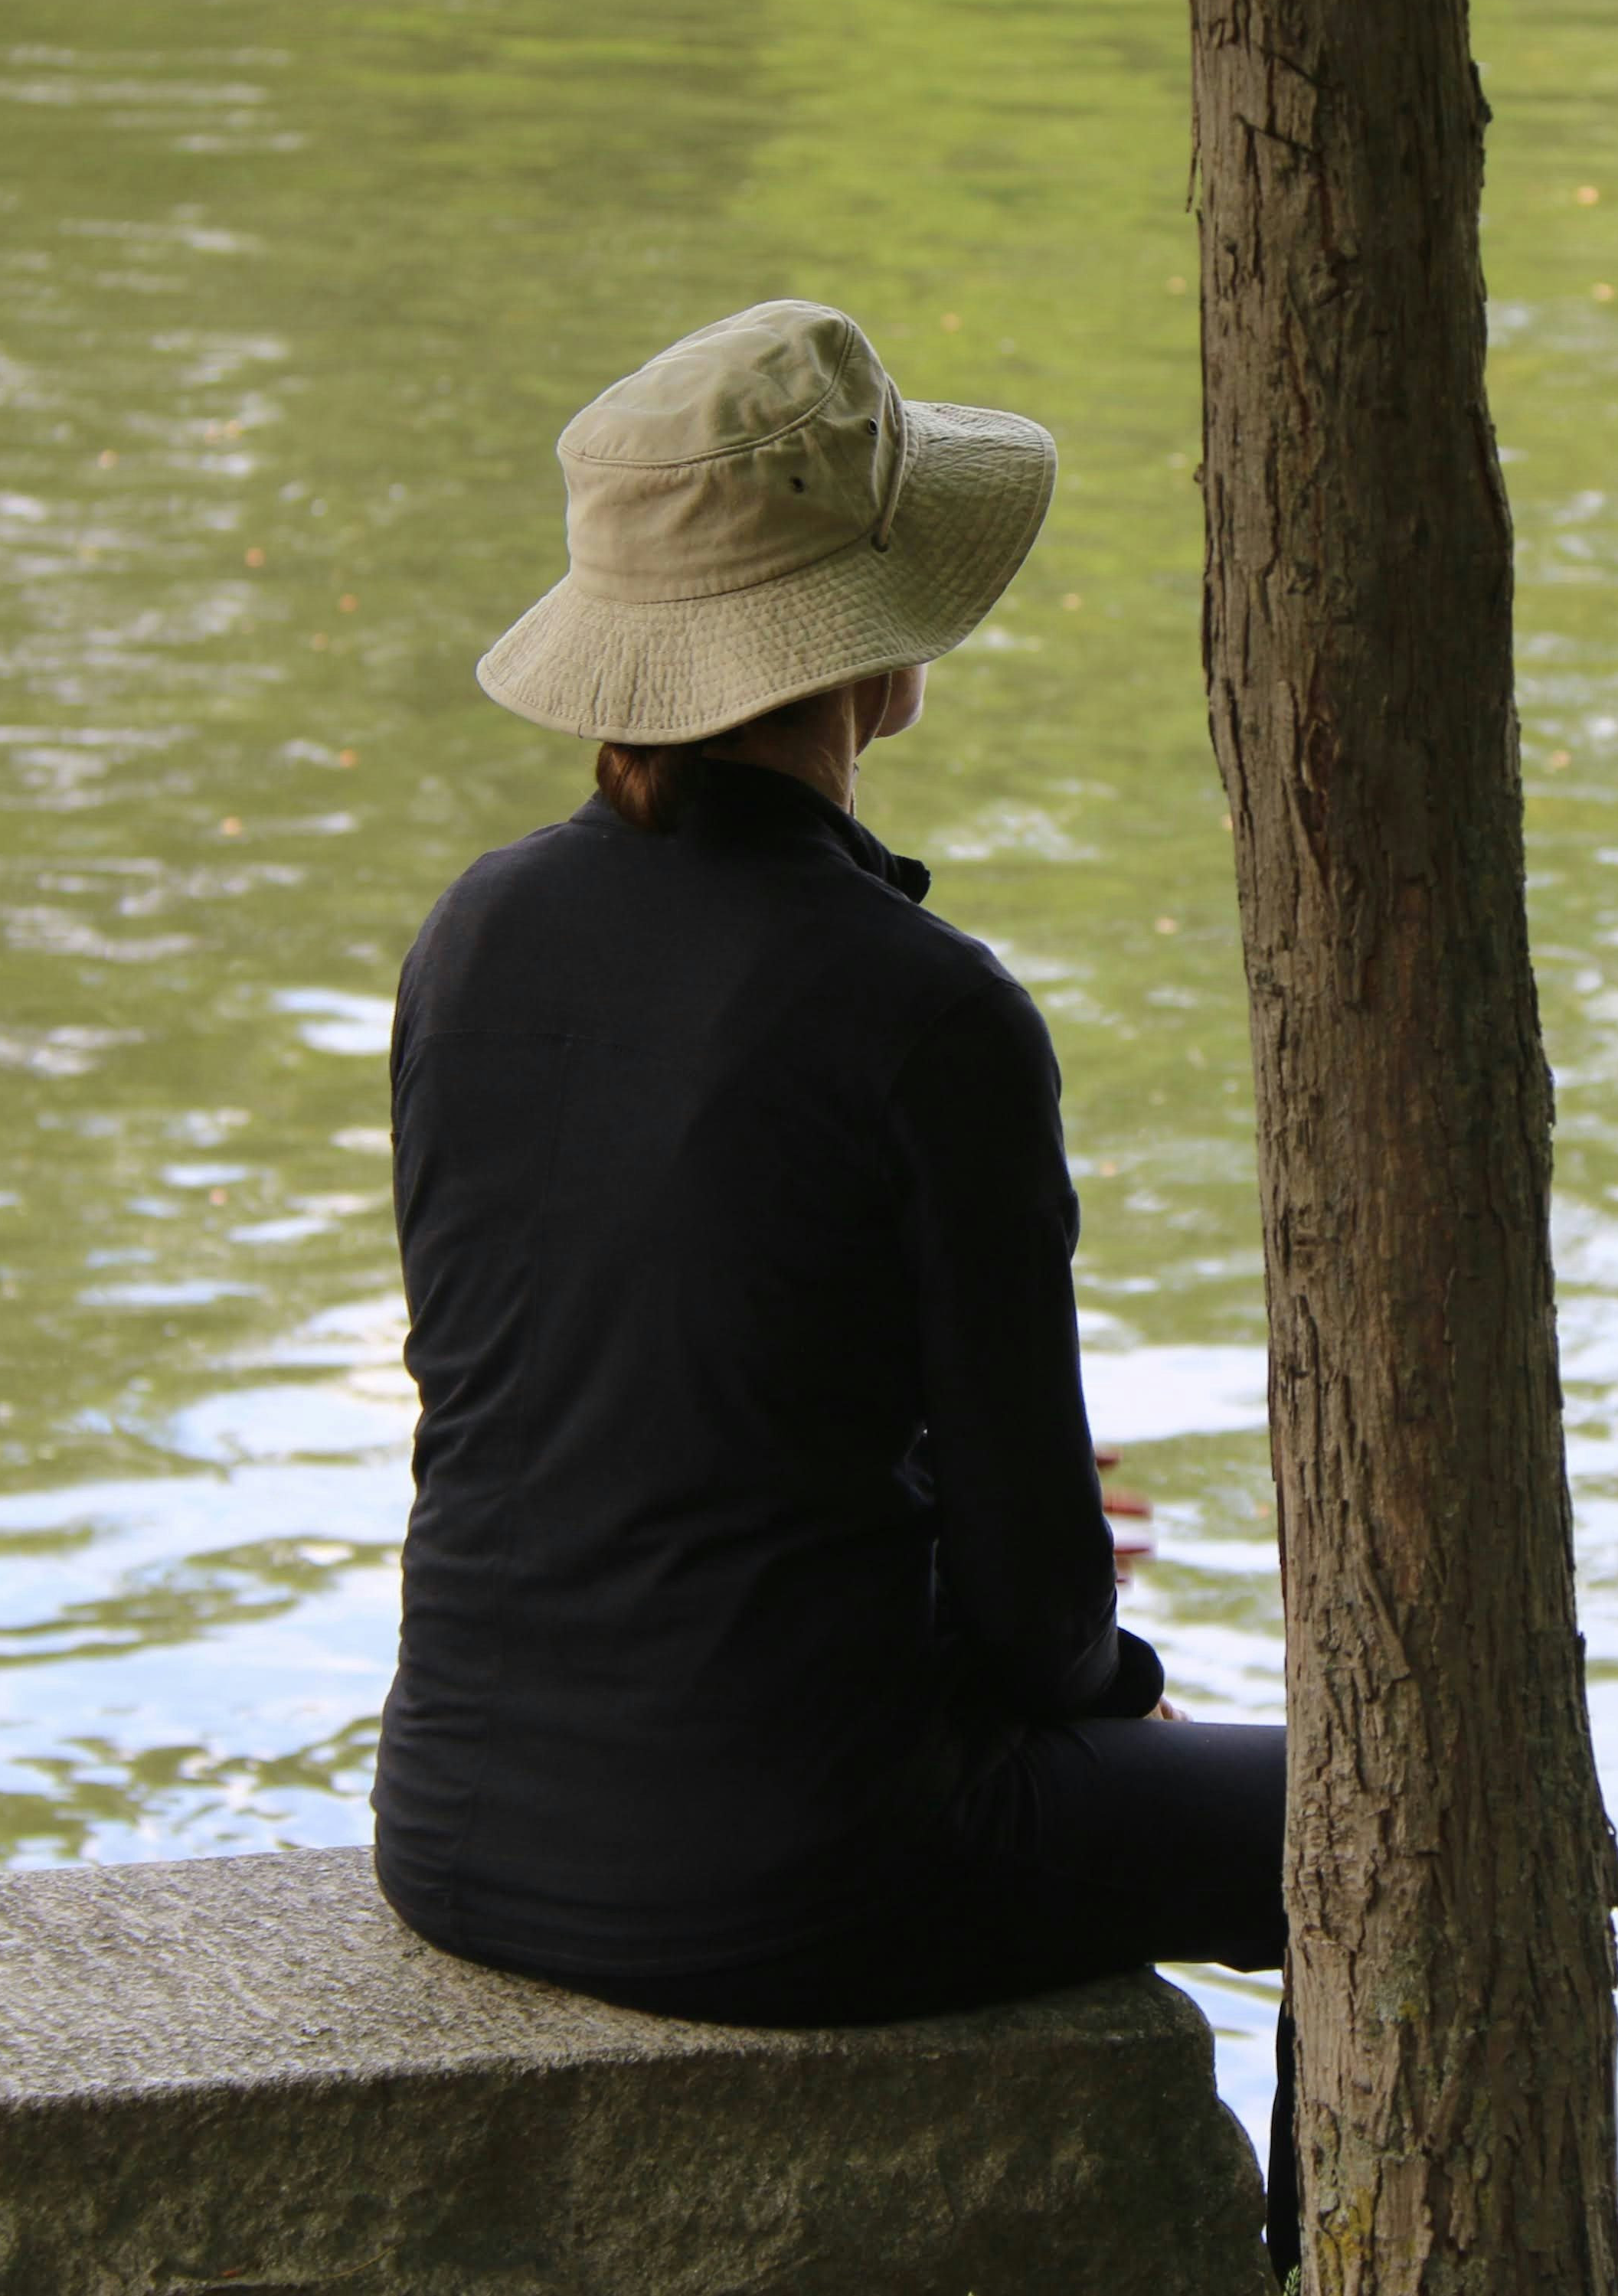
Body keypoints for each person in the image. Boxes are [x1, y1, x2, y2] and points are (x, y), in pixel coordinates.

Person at [370, 301, 1295, 2270]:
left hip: (454, 1827)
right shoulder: (924, 1014)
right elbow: (1050, 1620)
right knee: (1422, 1830)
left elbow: (563, 1393)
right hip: (785, 1883)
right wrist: (1093, 1683)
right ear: (865, 648)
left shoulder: (469, 939)